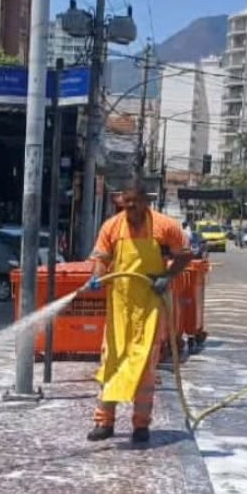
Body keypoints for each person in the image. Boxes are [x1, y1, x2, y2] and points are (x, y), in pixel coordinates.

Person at [86, 189, 192, 444]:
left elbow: (185, 255)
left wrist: (167, 276)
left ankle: (141, 425)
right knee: (111, 361)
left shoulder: (165, 226)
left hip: (151, 305)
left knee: (145, 366)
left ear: (146, 202)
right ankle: (104, 422)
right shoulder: (112, 226)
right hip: (120, 306)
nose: (130, 207)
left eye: (135, 202)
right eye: (127, 203)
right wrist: (97, 276)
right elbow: (101, 257)